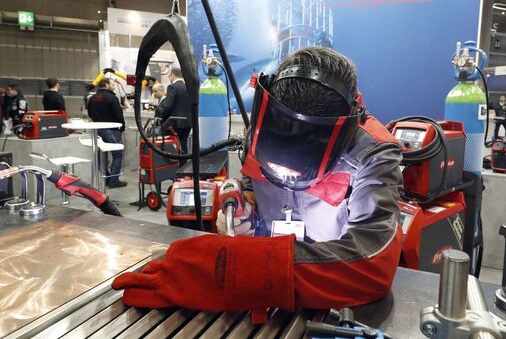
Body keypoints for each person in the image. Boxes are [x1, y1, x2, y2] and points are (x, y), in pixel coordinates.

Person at [113, 47, 403, 322]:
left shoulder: (373, 154)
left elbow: (371, 263)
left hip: (329, 299)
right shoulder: (263, 125)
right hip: (268, 300)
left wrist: (235, 270)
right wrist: (245, 205)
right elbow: (251, 178)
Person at [87, 78, 127, 188]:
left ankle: (107, 178)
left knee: (101, 156)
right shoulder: (112, 98)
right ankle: (113, 181)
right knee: (117, 155)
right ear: (106, 84)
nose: (113, 85)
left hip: (98, 131)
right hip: (112, 130)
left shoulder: (92, 98)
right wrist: (122, 127)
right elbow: (118, 115)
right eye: (112, 84)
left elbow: (90, 114)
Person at [158, 68, 192, 165]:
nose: (169, 78)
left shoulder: (172, 87)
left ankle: (172, 167)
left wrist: (161, 118)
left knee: (172, 146)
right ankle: (183, 168)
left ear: (173, 75)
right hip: (188, 122)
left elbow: (167, 106)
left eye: (170, 76)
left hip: (175, 122)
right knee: (183, 146)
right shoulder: (189, 87)